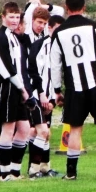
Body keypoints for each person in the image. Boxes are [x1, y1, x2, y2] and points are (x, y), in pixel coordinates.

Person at [50, 0, 96, 181]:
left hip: (74, 87)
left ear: (66, 7)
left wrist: (57, 91)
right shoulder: (94, 27)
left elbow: (55, 65)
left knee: (75, 128)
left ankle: (71, 173)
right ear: (84, 7)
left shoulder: (58, 32)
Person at [0, 2, 31, 181]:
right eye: (11, 17)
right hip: (4, 87)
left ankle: (14, 171)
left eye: (17, 17)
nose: (14, 20)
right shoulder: (0, 38)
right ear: (3, 17)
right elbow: (6, 69)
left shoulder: (13, 36)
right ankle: (4, 173)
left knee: (24, 129)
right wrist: (22, 89)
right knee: (7, 129)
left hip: (16, 86)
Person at [26, 13, 65, 179]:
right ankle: (33, 169)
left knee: (46, 132)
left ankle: (45, 167)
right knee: (40, 131)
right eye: (56, 29)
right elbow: (33, 72)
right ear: (50, 28)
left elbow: (58, 75)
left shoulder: (62, 48)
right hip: (36, 95)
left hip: (49, 97)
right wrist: (41, 95)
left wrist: (53, 98)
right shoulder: (39, 46)